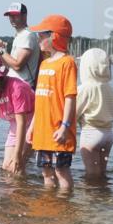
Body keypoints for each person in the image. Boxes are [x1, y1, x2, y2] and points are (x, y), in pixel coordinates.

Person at [26, 14, 77, 191]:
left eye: (42, 35)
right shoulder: (45, 64)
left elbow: (70, 97)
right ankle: (49, 206)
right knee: (46, 172)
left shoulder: (67, 63)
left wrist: (65, 126)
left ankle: (64, 207)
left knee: (61, 170)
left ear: (54, 36)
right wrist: (32, 127)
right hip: (42, 130)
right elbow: (40, 100)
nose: (38, 38)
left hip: (58, 130)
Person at [76, 47, 113, 181]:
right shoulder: (109, 89)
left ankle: (92, 200)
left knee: (91, 175)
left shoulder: (85, 88)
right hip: (108, 135)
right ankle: (104, 196)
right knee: (102, 173)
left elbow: (73, 112)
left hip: (91, 135)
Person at [0, 2, 41, 89]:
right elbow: (9, 65)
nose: (12, 18)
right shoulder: (19, 35)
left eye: (15, 15)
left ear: (24, 16)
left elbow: (17, 65)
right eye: (10, 15)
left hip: (23, 86)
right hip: (15, 86)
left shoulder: (27, 35)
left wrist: (1, 50)